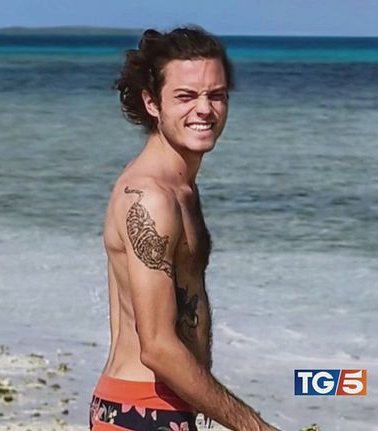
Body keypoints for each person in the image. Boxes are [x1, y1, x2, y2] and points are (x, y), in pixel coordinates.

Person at [89, 26, 279, 431]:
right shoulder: (150, 198)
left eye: (216, 95)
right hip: (142, 411)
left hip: (157, 407)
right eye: (186, 96)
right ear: (152, 103)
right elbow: (157, 347)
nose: (205, 109)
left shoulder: (180, 188)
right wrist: (255, 427)